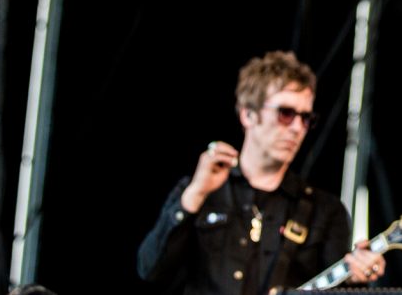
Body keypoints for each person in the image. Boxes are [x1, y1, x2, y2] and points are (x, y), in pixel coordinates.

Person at [137, 50, 386, 295]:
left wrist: (355, 277)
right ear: (248, 114)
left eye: (306, 118)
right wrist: (193, 196)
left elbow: (336, 290)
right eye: (286, 114)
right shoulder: (200, 190)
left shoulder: (326, 210)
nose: (297, 128)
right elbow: (151, 270)